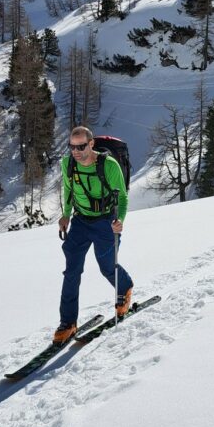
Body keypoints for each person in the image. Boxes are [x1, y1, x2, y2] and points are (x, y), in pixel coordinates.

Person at [54, 126, 134, 342]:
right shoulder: (67, 163)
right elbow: (69, 190)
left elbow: (123, 197)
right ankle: (68, 323)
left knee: (107, 266)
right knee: (72, 271)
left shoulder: (109, 165)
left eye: (81, 146)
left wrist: (120, 221)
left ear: (91, 144)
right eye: (72, 147)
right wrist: (66, 215)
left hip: (105, 222)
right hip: (80, 221)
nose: (76, 152)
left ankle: (124, 288)